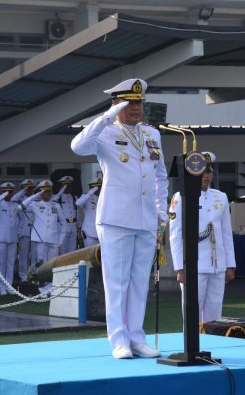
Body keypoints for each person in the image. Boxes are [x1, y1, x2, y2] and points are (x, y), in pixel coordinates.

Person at [71, 78, 168, 359]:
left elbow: (160, 176)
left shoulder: (152, 134)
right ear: (117, 104)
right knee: (117, 282)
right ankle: (119, 340)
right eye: (130, 103)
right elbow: (78, 146)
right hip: (116, 218)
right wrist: (107, 116)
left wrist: (161, 210)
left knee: (139, 282)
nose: (136, 108)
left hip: (146, 219)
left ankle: (137, 338)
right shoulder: (104, 132)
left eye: (139, 103)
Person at [169, 152, 236, 325]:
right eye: (202, 172)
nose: (206, 176)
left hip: (217, 265)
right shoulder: (180, 197)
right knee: (192, 313)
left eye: (209, 172)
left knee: (215, 315)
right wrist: (179, 267)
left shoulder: (221, 197)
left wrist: (230, 264)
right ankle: (193, 343)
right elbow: (175, 235)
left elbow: (226, 233)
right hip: (193, 265)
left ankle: (211, 341)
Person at [20, 180, 66, 265]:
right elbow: (20, 207)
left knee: (53, 264)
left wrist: (61, 240)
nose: (48, 193)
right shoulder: (35, 205)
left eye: (49, 191)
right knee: (41, 264)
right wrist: (36, 195)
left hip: (54, 239)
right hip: (41, 240)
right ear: (41, 193)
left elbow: (64, 223)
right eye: (45, 191)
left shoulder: (56, 205)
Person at [12, 179, 36, 282]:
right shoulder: (19, 199)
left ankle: (34, 273)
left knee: (34, 255)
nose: (30, 190)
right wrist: (23, 191)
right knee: (23, 255)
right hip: (24, 231)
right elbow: (13, 199)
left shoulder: (37, 198)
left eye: (31, 188)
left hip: (35, 230)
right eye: (27, 188)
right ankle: (23, 275)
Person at [53, 176, 77, 254]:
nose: (68, 187)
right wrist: (62, 190)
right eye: (65, 185)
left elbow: (76, 211)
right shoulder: (57, 197)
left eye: (69, 185)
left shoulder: (73, 197)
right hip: (63, 226)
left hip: (73, 225)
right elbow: (53, 200)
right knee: (62, 248)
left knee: (72, 249)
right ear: (61, 186)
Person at [75, 178, 102, 247]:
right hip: (89, 233)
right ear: (92, 188)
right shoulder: (86, 197)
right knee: (90, 253)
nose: (99, 189)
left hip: (101, 233)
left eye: (100, 187)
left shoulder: (103, 197)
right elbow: (78, 203)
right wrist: (89, 194)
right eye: (97, 187)